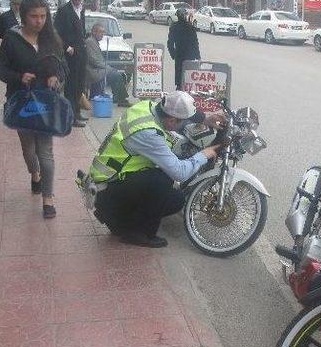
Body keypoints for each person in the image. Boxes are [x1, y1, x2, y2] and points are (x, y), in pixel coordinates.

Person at [90, 91, 223, 248]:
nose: (186, 124)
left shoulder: (147, 107)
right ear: (172, 121)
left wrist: (205, 118)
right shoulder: (148, 133)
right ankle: (137, 233)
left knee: (175, 199)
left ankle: (122, 219)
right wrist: (203, 155)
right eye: (183, 122)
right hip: (108, 190)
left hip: (110, 181)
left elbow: (179, 114)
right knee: (162, 180)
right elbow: (180, 173)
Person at [0, 0, 65, 219]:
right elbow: (0, 70)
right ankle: (34, 174)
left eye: (43, 16)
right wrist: (19, 77)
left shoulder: (52, 39)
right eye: (34, 16)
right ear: (24, 16)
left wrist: (56, 77)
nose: (39, 21)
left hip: (45, 102)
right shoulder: (11, 39)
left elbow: (64, 67)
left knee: (45, 151)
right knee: (29, 150)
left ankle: (48, 198)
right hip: (21, 103)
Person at [54, 0, 87, 126]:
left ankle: (77, 112)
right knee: (71, 87)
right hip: (70, 54)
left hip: (81, 53)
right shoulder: (64, 11)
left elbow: (81, 30)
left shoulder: (82, 9)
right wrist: (68, 48)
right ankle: (71, 117)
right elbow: (56, 33)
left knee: (80, 84)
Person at [85, 23, 131, 107]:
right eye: (100, 32)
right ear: (94, 32)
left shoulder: (93, 41)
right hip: (92, 71)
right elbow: (95, 61)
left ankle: (120, 98)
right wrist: (108, 68)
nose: (102, 35)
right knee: (116, 75)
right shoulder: (90, 42)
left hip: (96, 69)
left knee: (115, 73)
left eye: (103, 32)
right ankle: (121, 99)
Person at [167, 8, 200, 90]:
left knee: (179, 75)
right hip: (190, 55)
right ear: (185, 16)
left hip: (179, 55)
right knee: (188, 75)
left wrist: (173, 55)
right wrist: (197, 56)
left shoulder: (174, 27)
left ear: (177, 16)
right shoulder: (190, 27)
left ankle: (179, 89)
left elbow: (170, 43)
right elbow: (195, 43)